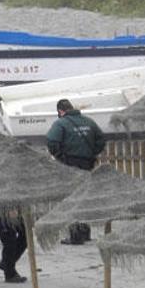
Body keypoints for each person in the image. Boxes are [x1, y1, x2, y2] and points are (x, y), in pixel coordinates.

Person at [46, 98, 106, 245]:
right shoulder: (88, 121)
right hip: (87, 164)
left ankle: (75, 236)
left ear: (60, 111)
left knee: (72, 199)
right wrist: (92, 153)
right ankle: (85, 233)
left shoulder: (60, 123)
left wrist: (60, 157)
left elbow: (51, 141)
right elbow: (101, 140)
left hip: (70, 165)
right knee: (84, 198)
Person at [0, 208, 27, 283]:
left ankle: (5, 263)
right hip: (4, 209)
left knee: (25, 236)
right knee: (9, 242)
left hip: (16, 207)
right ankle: (10, 274)